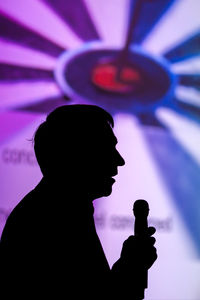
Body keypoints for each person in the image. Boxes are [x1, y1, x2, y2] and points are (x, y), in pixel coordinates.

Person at [0, 104, 157, 298]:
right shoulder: (47, 221)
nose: (119, 160)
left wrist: (131, 264)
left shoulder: (64, 211)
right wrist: (132, 266)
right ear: (77, 154)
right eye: (107, 148)